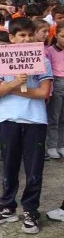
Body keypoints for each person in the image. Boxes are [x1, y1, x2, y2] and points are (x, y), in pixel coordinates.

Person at [0, 17, 52, 234]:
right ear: (12, 38)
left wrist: (11, 89)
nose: (27, 39)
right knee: (9, 166)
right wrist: (14, 82)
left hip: (35, 121)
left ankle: (31, 210)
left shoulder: (43, 60)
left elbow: (44, 92)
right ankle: (7, 206)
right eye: (22, 35)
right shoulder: (2, 61)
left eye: (30, 35)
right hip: (9, 120)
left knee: (34, 169)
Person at [45, 21, 64, 160]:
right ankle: (52, 145)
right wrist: (49, 90)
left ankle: (61, 144)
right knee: (54, 116)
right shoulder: (50, 51)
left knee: (63, 117)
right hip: (56, 82)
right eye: (62, 36)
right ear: (56, 35)